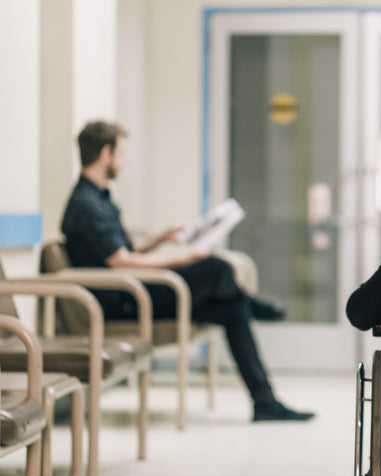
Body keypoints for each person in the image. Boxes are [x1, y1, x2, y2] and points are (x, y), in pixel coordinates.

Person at [61, 121, 314, 422]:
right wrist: (183, 257)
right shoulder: (86, 205)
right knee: (215, 267)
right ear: (106, 153)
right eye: (122, 153)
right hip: (123, 300)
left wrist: (162, 237)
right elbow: (121, 261)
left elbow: (125, 250)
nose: (123, 161)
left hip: (131, 289)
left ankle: (265, 401)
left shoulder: (99, 198)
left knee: (232, 309)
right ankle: (252, 305)